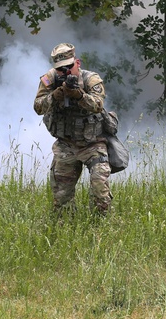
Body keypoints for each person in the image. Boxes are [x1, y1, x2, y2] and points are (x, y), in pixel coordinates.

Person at [33, 42, 112, 215]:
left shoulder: (91, 79)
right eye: (61, 69)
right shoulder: (49, 79)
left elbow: (98, 105)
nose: (65, 72)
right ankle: (65, 228)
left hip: (93, 143)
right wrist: (55, 96)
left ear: (77, 63)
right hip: (66, 143)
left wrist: (79, 95)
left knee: (100, 189)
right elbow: (38, 107)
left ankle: (101, 226)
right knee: (61, 197)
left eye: (69, 67)